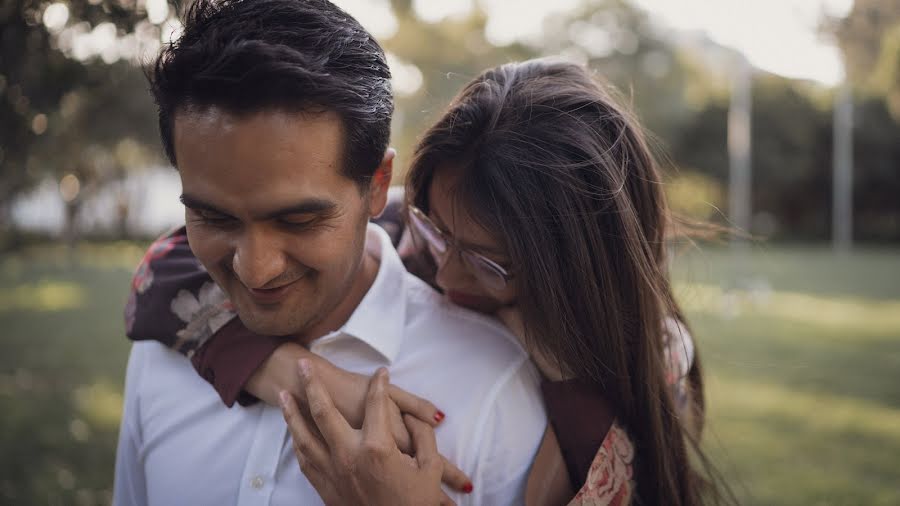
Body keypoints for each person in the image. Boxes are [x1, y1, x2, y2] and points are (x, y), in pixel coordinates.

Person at [124, 60, 724, 505]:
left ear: (575, 276)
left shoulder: (613, 378)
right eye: (439, 232)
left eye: (490, 264)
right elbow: (163, 271)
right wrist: (300, 375)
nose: (447, 270)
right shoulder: (398, 220)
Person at [111, 1, 548, 505]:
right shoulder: (162, 354)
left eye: (298, 220)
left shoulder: (497, 390)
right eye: (215, 217)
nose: (254, 269)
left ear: (377, 185)